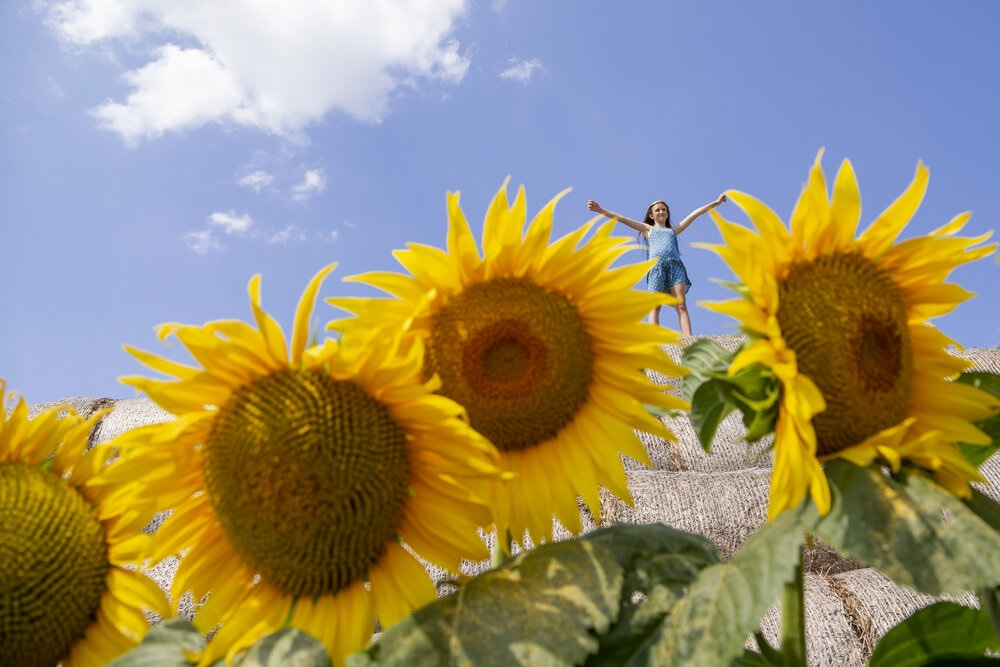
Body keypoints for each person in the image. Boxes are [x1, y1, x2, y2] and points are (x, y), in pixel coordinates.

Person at [587, 193, 727, 335]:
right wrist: (600, 210)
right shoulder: (648, 229)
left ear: (667, 214)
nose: (661, 212)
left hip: (675, 266)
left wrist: (715, 203)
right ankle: (654, 339)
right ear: (652, 215)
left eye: (664, 210)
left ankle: (689, 339)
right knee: (655, 305)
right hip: (656, 268)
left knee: (681, 305)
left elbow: (695, 214)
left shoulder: (673, 230)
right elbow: (622, 219)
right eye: (658, 210)